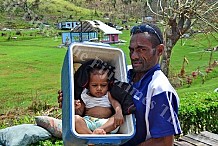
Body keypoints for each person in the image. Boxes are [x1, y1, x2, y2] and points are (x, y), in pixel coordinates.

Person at [58, 23, 182, 145]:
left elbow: (164, 142)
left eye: (142, 49)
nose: (134, 56)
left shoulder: (159, 88)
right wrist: (69, 102)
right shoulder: (124, 74)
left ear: (159, 50)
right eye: (131, 50)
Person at [73, 63, 124, 135]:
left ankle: (98, 132)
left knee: (116, 119)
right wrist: (77, 107)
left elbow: (115, 104)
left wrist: (119, 112)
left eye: (103, 85)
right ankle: (91, 135)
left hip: (106, 123)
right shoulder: (85, 95)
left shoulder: (108, 94)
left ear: (108, 85)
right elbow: (80, 113)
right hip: (89, 121)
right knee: (76, 119)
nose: (99, 88)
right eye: (94, 85)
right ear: (88, 85)